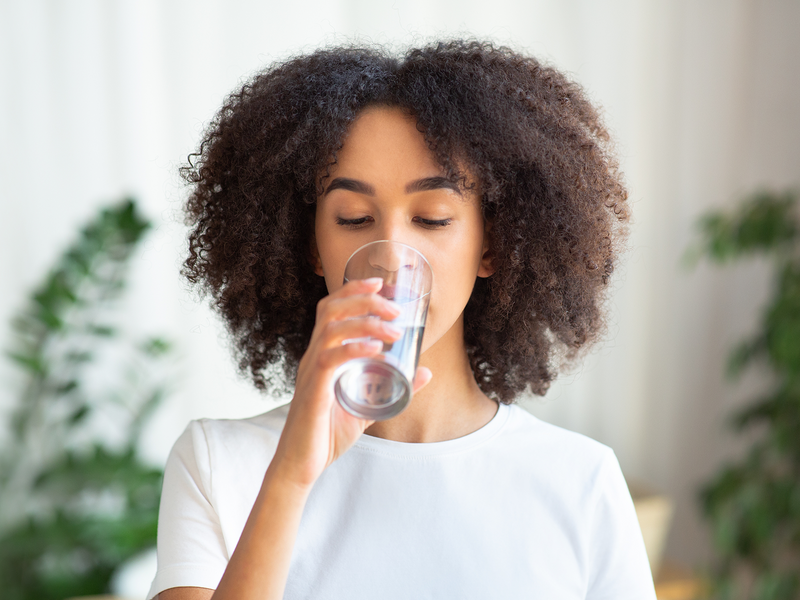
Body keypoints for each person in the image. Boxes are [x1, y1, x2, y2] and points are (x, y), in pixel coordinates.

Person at [148, 40, 656, 600]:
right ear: (313, 245)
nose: (390, 253)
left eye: (433, 219)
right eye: (355, 217)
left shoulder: (580, 481)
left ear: (492, 245)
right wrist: (292, 474)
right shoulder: (219, 466)